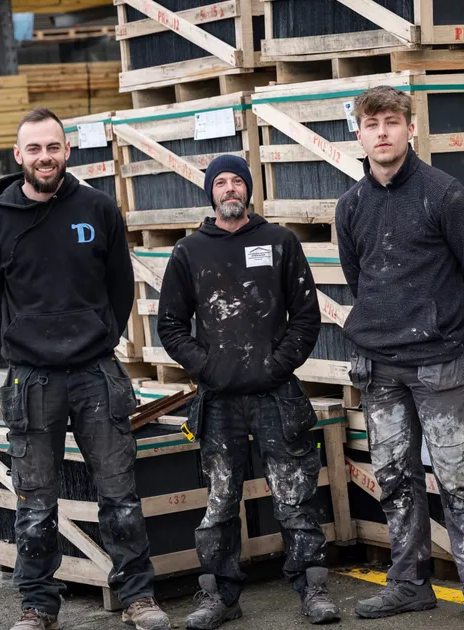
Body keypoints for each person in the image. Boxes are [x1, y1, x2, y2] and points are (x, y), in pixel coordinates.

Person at [0, 107, 170, 630]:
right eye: (34, 149)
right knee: (35, 501)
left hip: (94, 374)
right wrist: (18, 348)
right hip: (31, 380)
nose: (45, 157)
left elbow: (120, 286)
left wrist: (99, 340)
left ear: (68, 151)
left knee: (119, 494)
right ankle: (38, 605)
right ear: (18, 156)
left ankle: (137, 596)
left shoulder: (98, 208)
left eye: (53, 147)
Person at [334, 86, 464, 626]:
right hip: (379, 369)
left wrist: (454, 329)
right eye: (371, 124)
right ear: (357, 135)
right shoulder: (351, 205)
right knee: (395, 480)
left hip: (439, 365)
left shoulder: (444, 195)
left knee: (457, 478)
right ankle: (409, 584)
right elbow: (358, 278)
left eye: (391, 121)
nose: (381, 132)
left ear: (410, 128)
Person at [155, 154, 340, 629]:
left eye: (237, 181)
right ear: (210, 193)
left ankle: (312, 587)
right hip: (218, 400)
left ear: (249, 190)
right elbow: (171, 327)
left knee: (294, 495)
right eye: (221, 183)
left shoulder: (280, 242)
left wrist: (277, 365)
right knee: (219, 501)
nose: (230, 189)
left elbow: (306, 317)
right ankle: (220, 594)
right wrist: (208, 367)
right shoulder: (189, 252)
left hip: (277, 394)